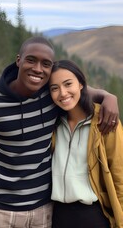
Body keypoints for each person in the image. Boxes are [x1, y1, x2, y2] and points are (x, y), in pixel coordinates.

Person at [0, 36, 119, 228]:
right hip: (1, 211)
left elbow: (79, 91)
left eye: (46, 64)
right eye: (31, 60)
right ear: (18, 60)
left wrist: (108, 96)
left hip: (44, 212)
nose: (38, 69)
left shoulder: (51, 94)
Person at [49, 59, 123, 228]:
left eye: (68, 84)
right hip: (57, 216)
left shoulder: (105, 120)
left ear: (81, 84)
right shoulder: (53, 123)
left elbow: (120, 175)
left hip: (93, 216)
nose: (63, 93)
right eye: (54, 88)